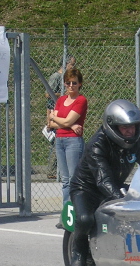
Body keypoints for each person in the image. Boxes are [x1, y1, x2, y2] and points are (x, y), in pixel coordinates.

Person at [68, 100, 140, 266]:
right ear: (113, 127)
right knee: (85, 219)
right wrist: (123, 201)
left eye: (133, 126)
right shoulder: (98, 144)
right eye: (124, 127)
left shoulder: (134, 141)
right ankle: (79, 251)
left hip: (115, 184)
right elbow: (103, 179)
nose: (130, 131)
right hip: (87, 188)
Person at [47, 67, 87, 205]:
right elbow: (52, 123)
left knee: (73, 179)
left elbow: (64, 120)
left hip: (73, 142)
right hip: (60, 140)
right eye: (68, 83)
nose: (71, 86)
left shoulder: (81, 100)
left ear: (79, 84)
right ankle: (66, 213)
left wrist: (57, 118)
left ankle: (76, 211)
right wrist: (70, 125)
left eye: (74, 83)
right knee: (65, 180)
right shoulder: (61, 100)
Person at [45, 56, 76, 180]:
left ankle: (59, 169)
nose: (73, 67)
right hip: (54, 112)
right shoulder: (56, 77)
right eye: (72, 64)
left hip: (63, 112)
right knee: (57, 141)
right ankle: (52, 170)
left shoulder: (65, 79)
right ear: (65, 64)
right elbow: (48, 94)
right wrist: (63, 93)